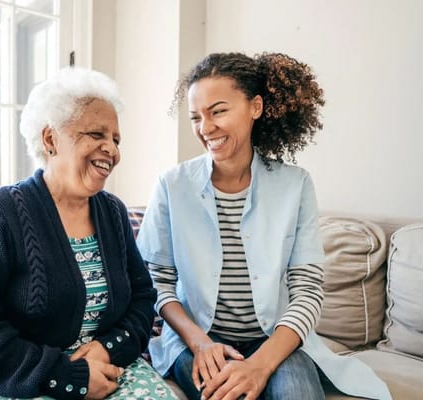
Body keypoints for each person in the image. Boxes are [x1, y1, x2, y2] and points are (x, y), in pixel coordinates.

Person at [136, 52, 392, 400]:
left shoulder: (295, 184)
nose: (205, 128)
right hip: (198, 340)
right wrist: (200, 344)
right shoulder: (172, 185)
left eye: (219, 111)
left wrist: (260, 365)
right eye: (196, 116)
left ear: (255, 107)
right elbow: (157, 282)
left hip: (275, 339)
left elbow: (307, 290)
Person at [0, 67, 179, 400]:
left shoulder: (112, 213)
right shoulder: (0, 213)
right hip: (20, 379)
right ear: (50, 139)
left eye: (115, 139)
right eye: (96, 134)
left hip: (106, 368)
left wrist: (106, 348)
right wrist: (68, 376)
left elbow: (142, 298)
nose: (111, 150)